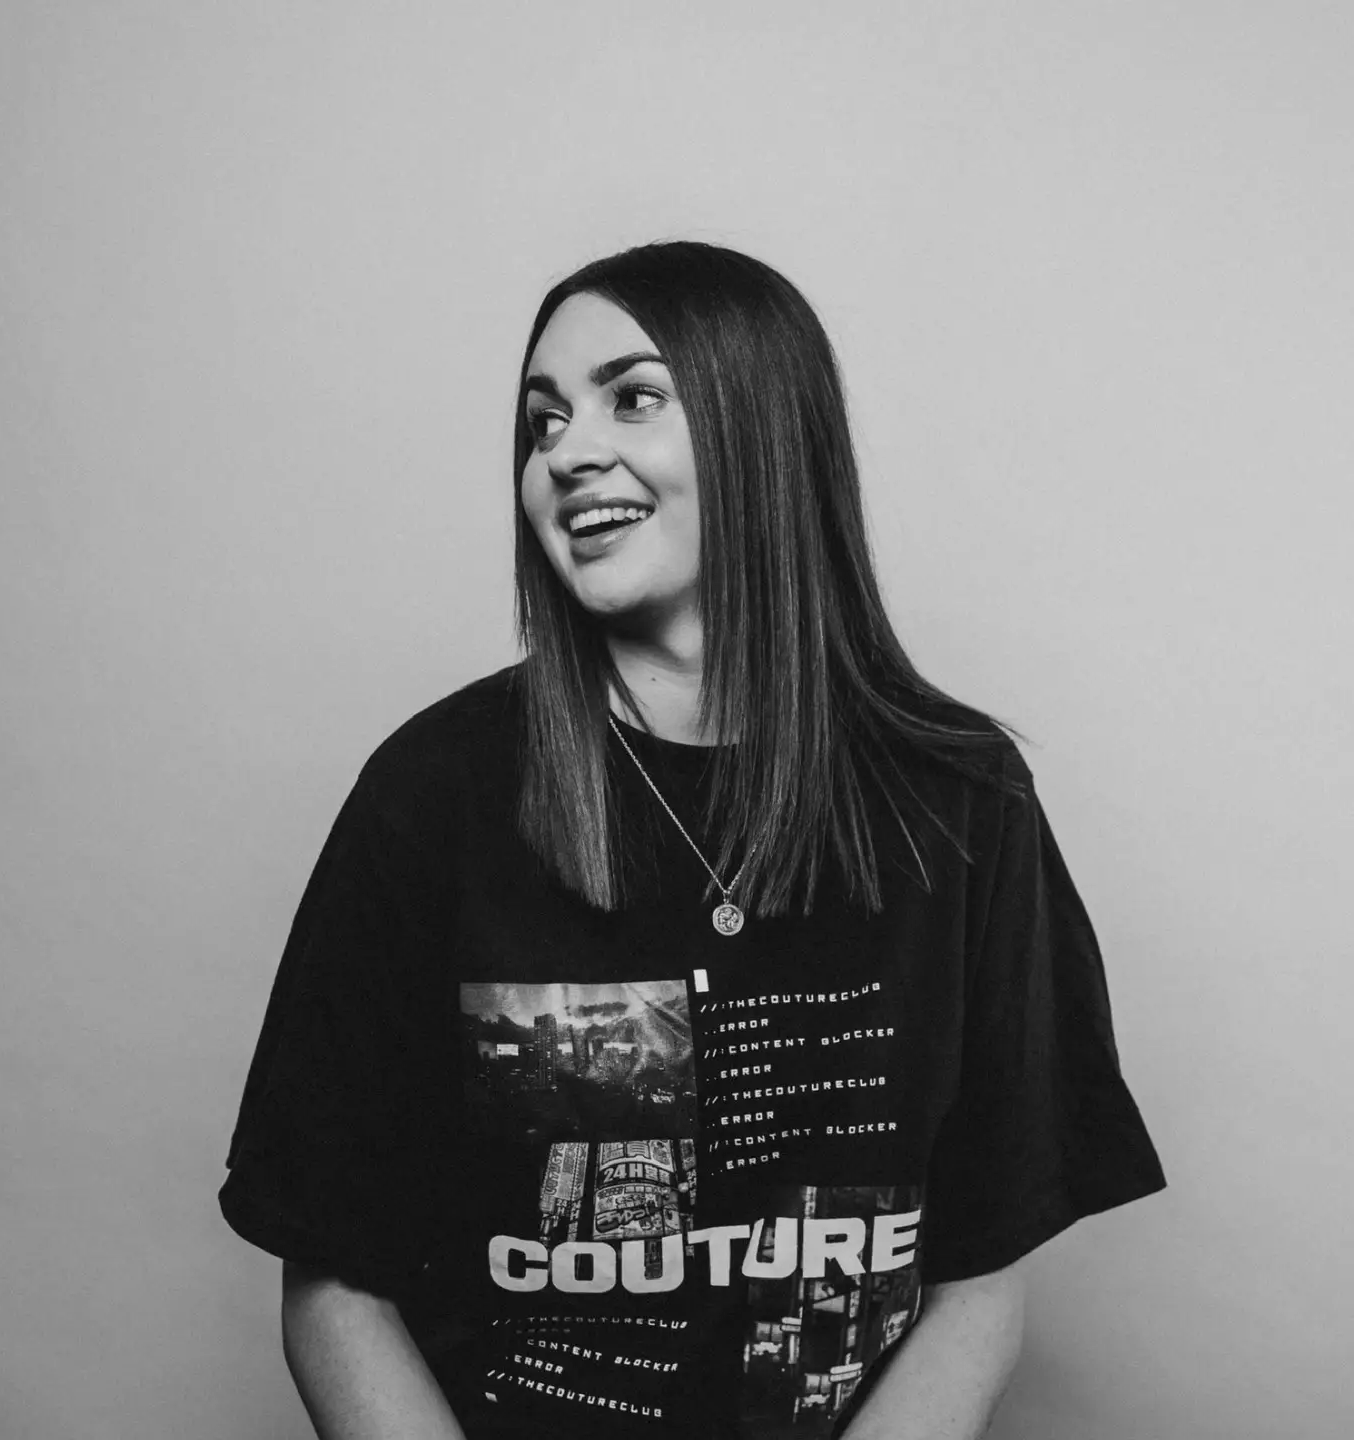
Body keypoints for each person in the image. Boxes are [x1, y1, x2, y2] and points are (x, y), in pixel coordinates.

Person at [218, 240, 1166, 1440]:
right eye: (542, 420)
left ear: (761, 427)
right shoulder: (430, 797)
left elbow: (979, 1277)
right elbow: (333, 1280)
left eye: (632, 397)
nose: (567, 451)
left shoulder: (963, 801)